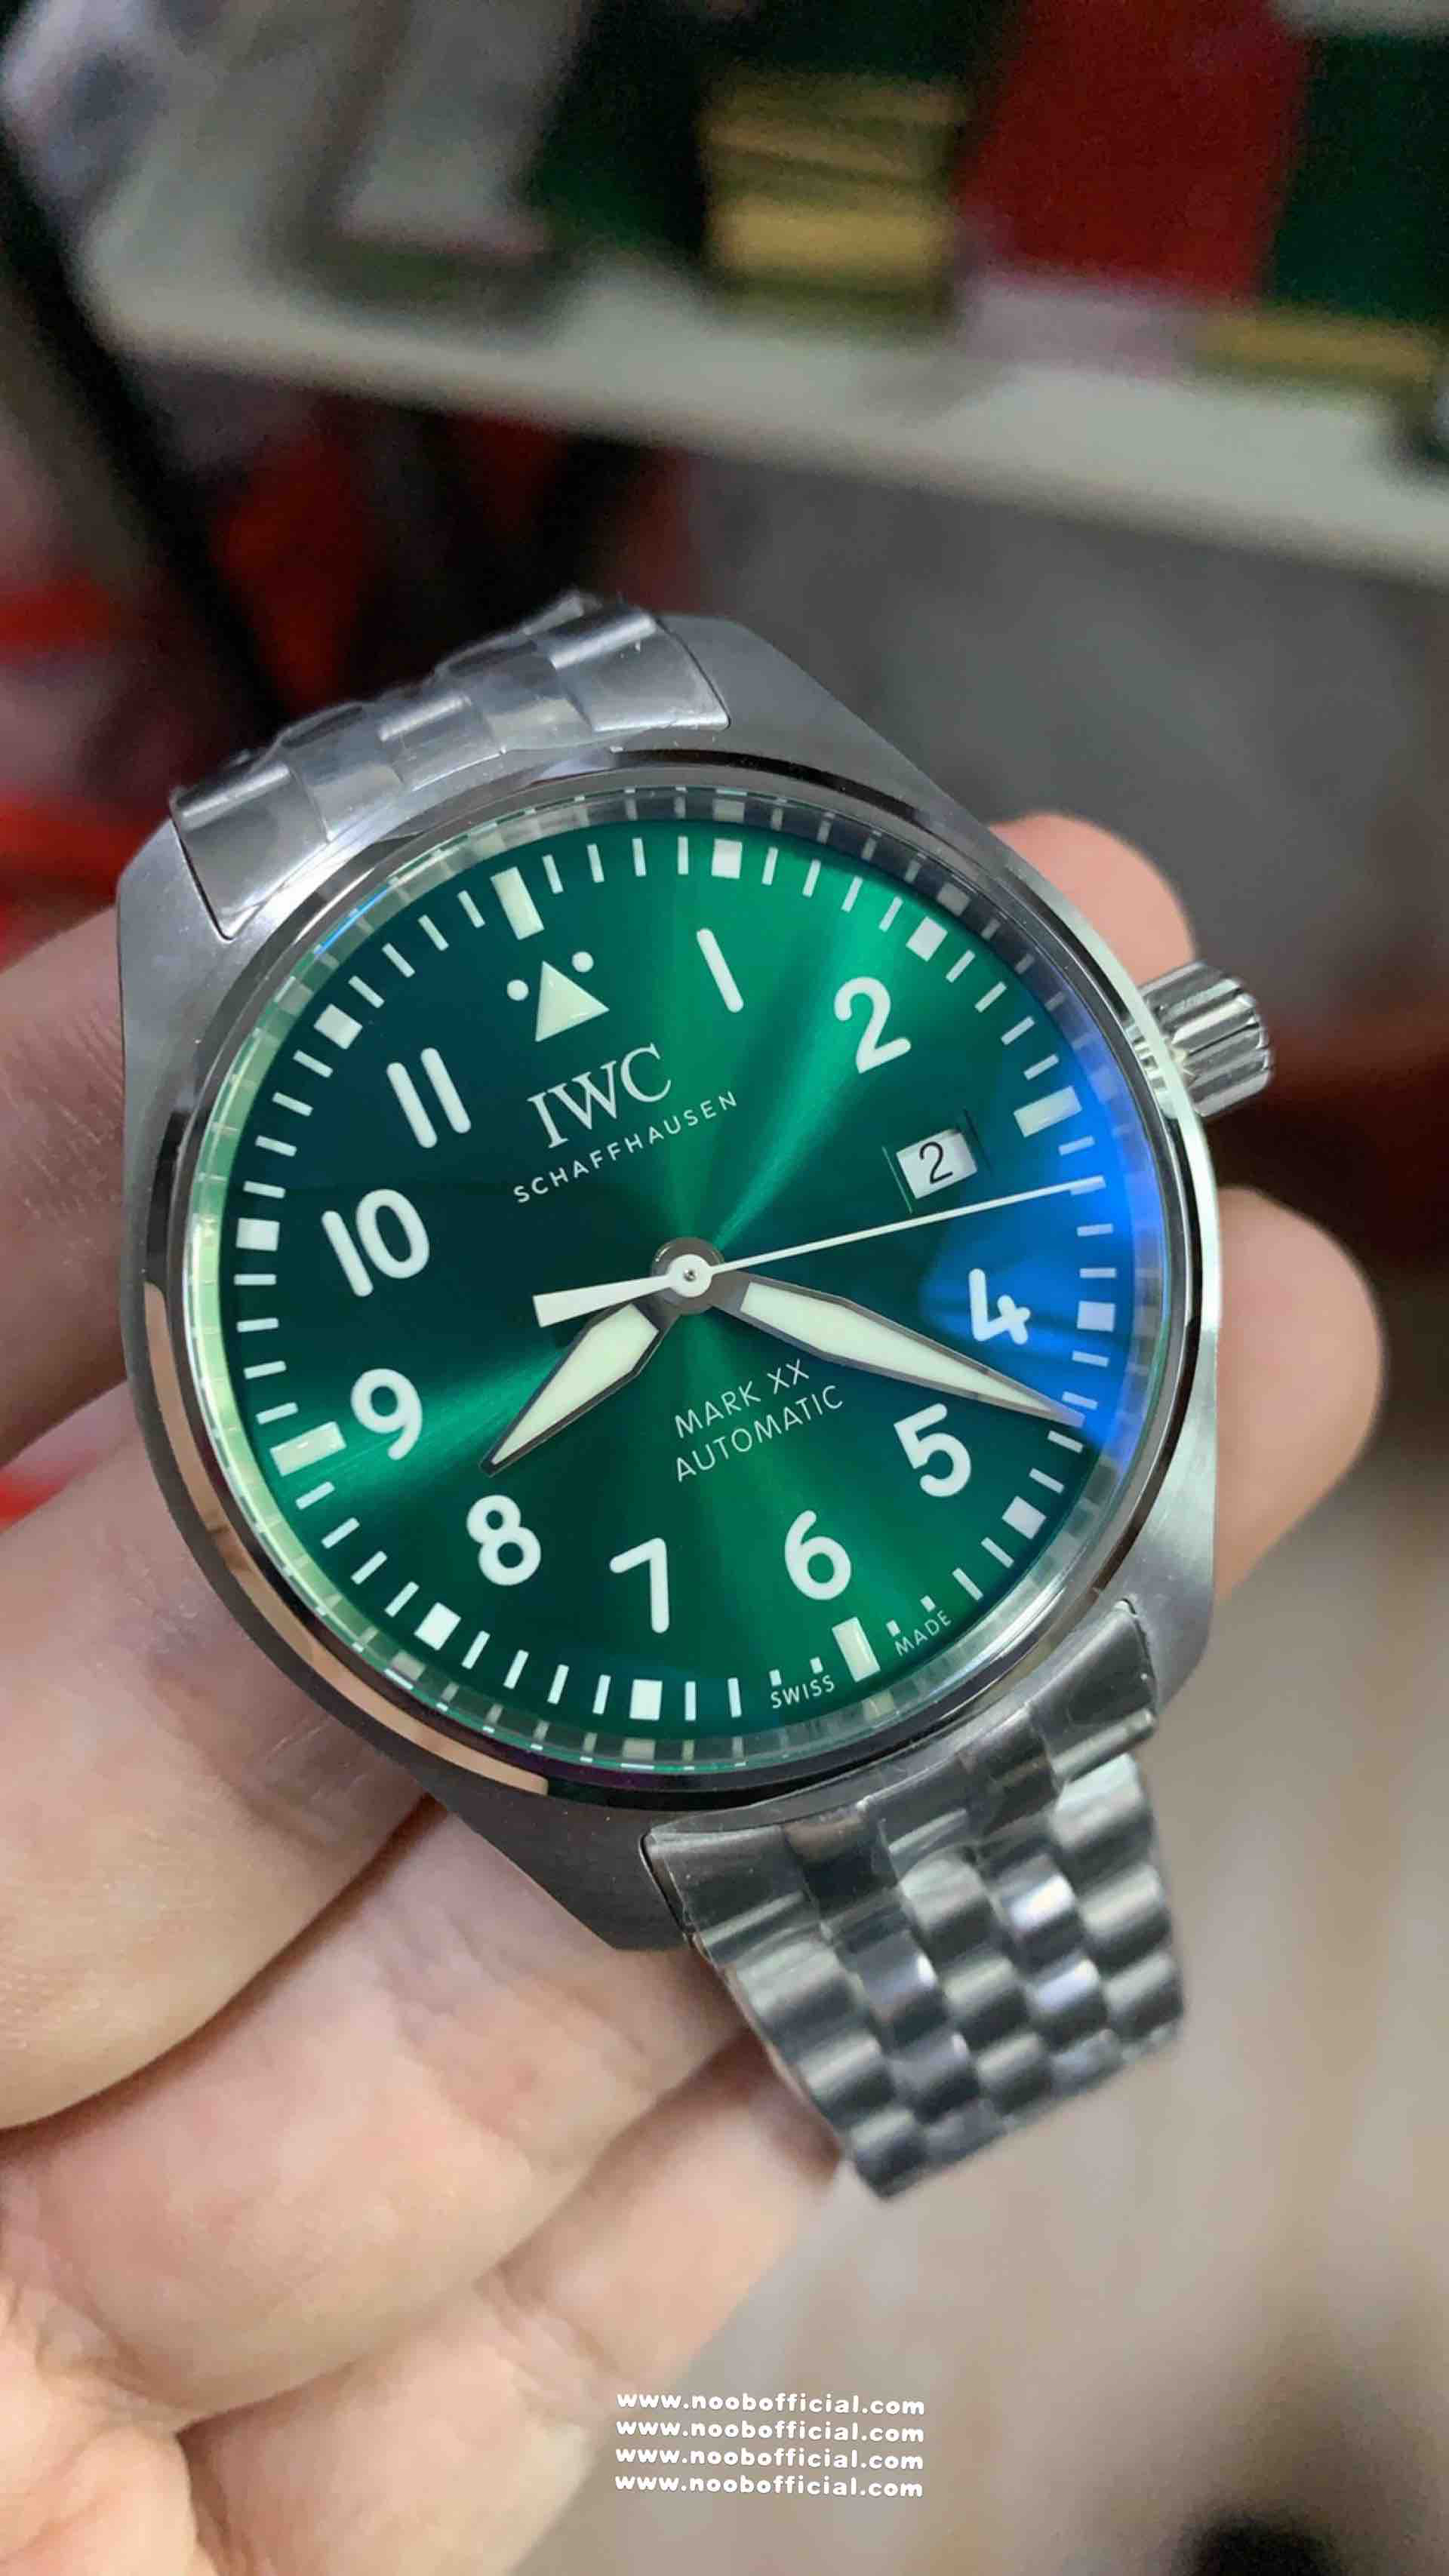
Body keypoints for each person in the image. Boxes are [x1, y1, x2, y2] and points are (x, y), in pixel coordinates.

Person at [0, 816, 1383, 2574]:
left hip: (963, 1582)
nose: (688, 1272)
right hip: (690, 1692)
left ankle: (1020, 2046)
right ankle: (992, 2064)